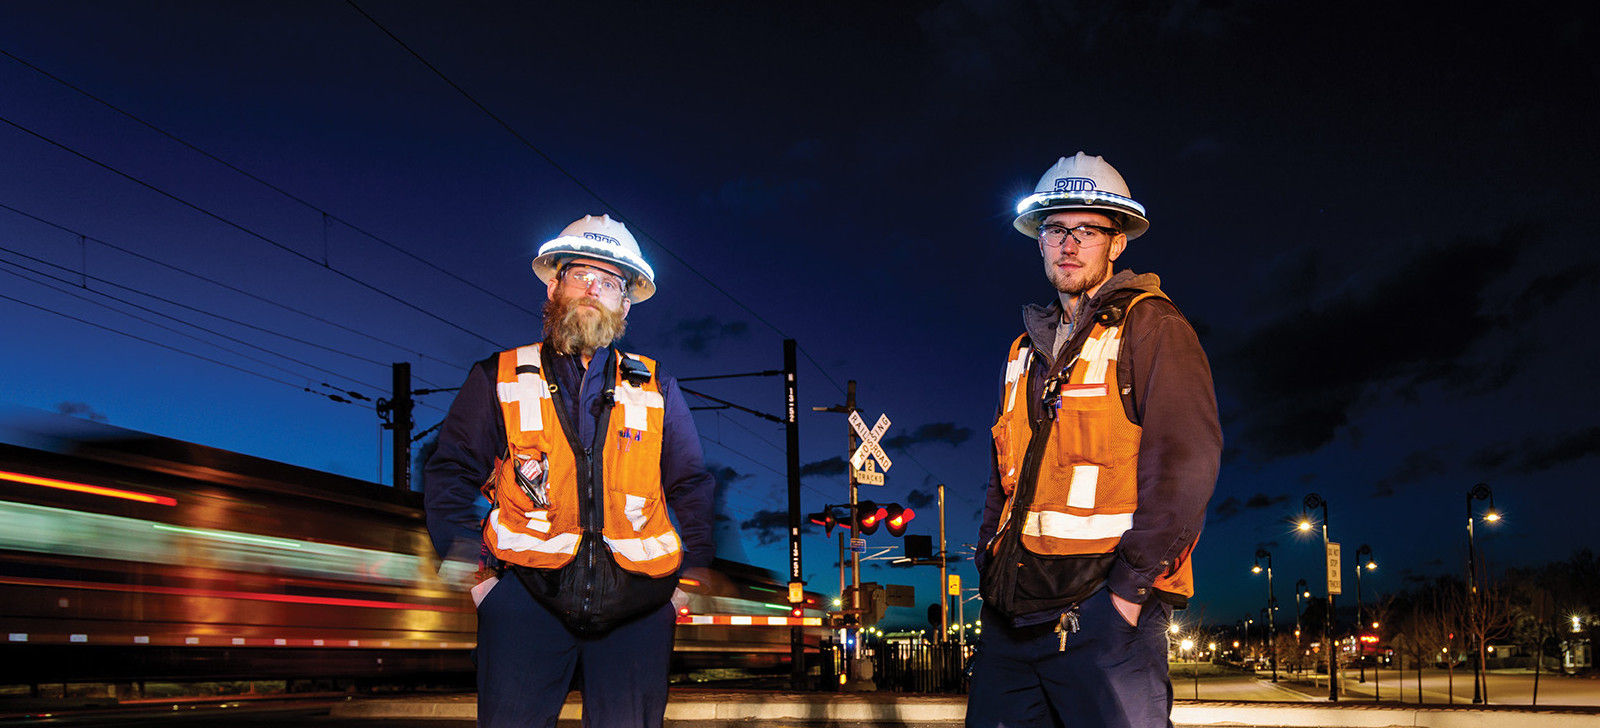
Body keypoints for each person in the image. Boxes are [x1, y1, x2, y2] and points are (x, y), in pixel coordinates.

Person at [424, 214, 716, 728]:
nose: (593, 289)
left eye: (609, 282)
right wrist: (476, 574)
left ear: (625, 304)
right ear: (554, 284)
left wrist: (686, 580)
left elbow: (690, 484)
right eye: (581, 274)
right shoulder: (499, 375)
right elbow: (450, 471)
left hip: (639, 608)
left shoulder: (657, 388)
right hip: (525, 603)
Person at [968, 153, 1221, 728]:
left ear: (1118, 242)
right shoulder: (1023, 351)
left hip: (1103, 614)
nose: (1070, 243)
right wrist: (989, 563)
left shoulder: (1152, 326)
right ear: (1038, 241)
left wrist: (1128, 595)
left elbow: (1187, 468)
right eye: (1057, 228)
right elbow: (1001, 476)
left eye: (1088, 230)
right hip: (1014, 613)